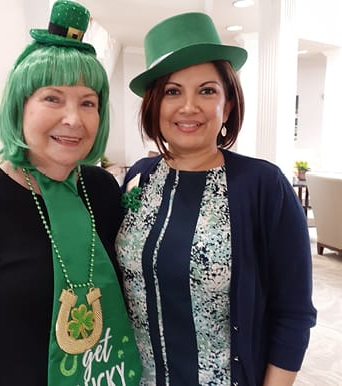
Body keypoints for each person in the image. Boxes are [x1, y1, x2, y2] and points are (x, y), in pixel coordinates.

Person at [0, 1, 141, 385]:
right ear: (21, 104)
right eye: (52, 98)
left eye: (88, 103)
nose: (73, 118)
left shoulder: (100, 188)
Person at [115, 11, 317, 386]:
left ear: (228, 104)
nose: (189, 106)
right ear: (154, 105)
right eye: (173, 91)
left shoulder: (263, 186)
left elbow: (293, 313)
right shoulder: (138, 177)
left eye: (207, 90)